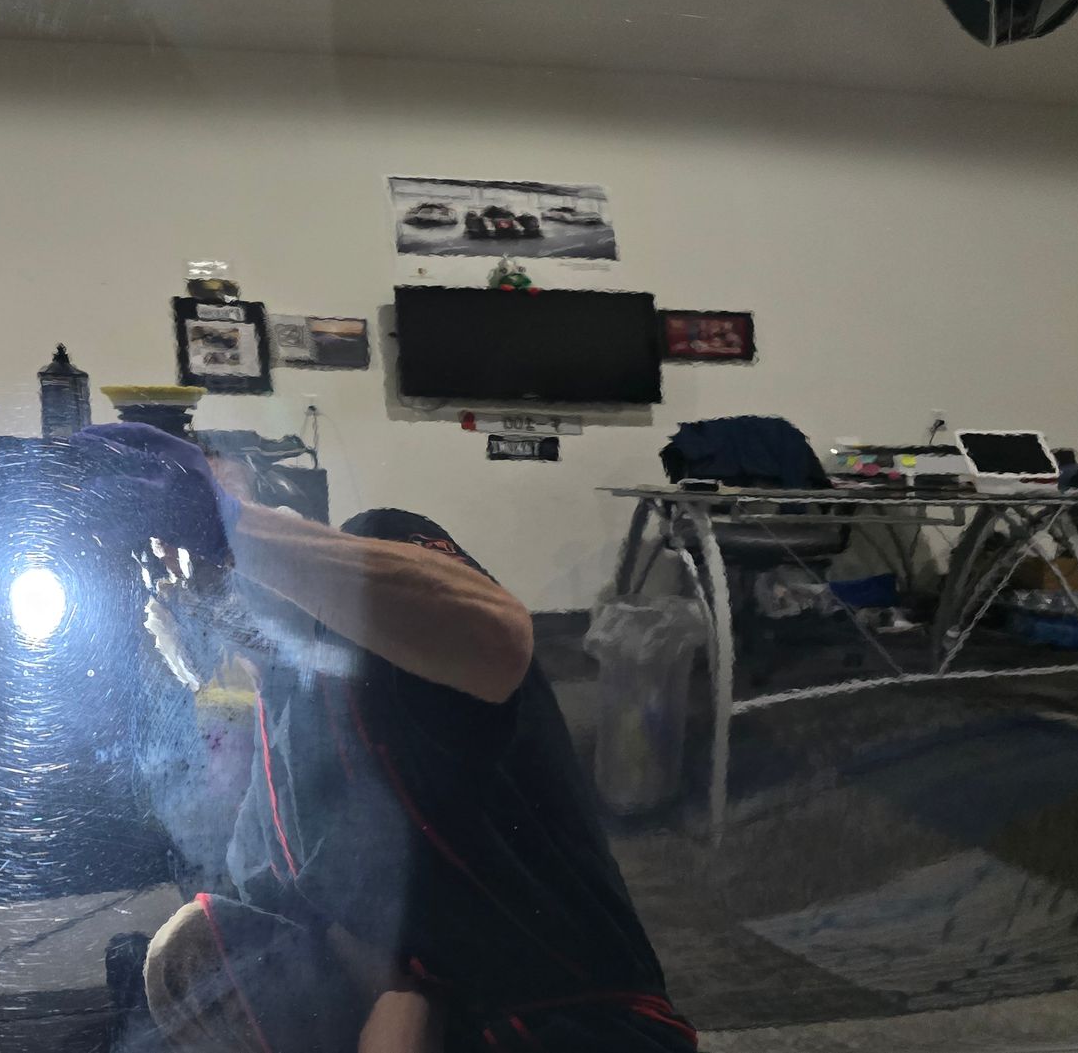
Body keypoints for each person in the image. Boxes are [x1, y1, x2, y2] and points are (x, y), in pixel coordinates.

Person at [79, 423, 696, 1053]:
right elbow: (374, 948)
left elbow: (497, 635)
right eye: (170, 552)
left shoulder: (376, 563)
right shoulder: (276, 747)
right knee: (189, 949)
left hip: (573, 1020)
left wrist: (233, 526)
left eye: (201, 515)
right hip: (446, 1009)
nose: (190, 563)